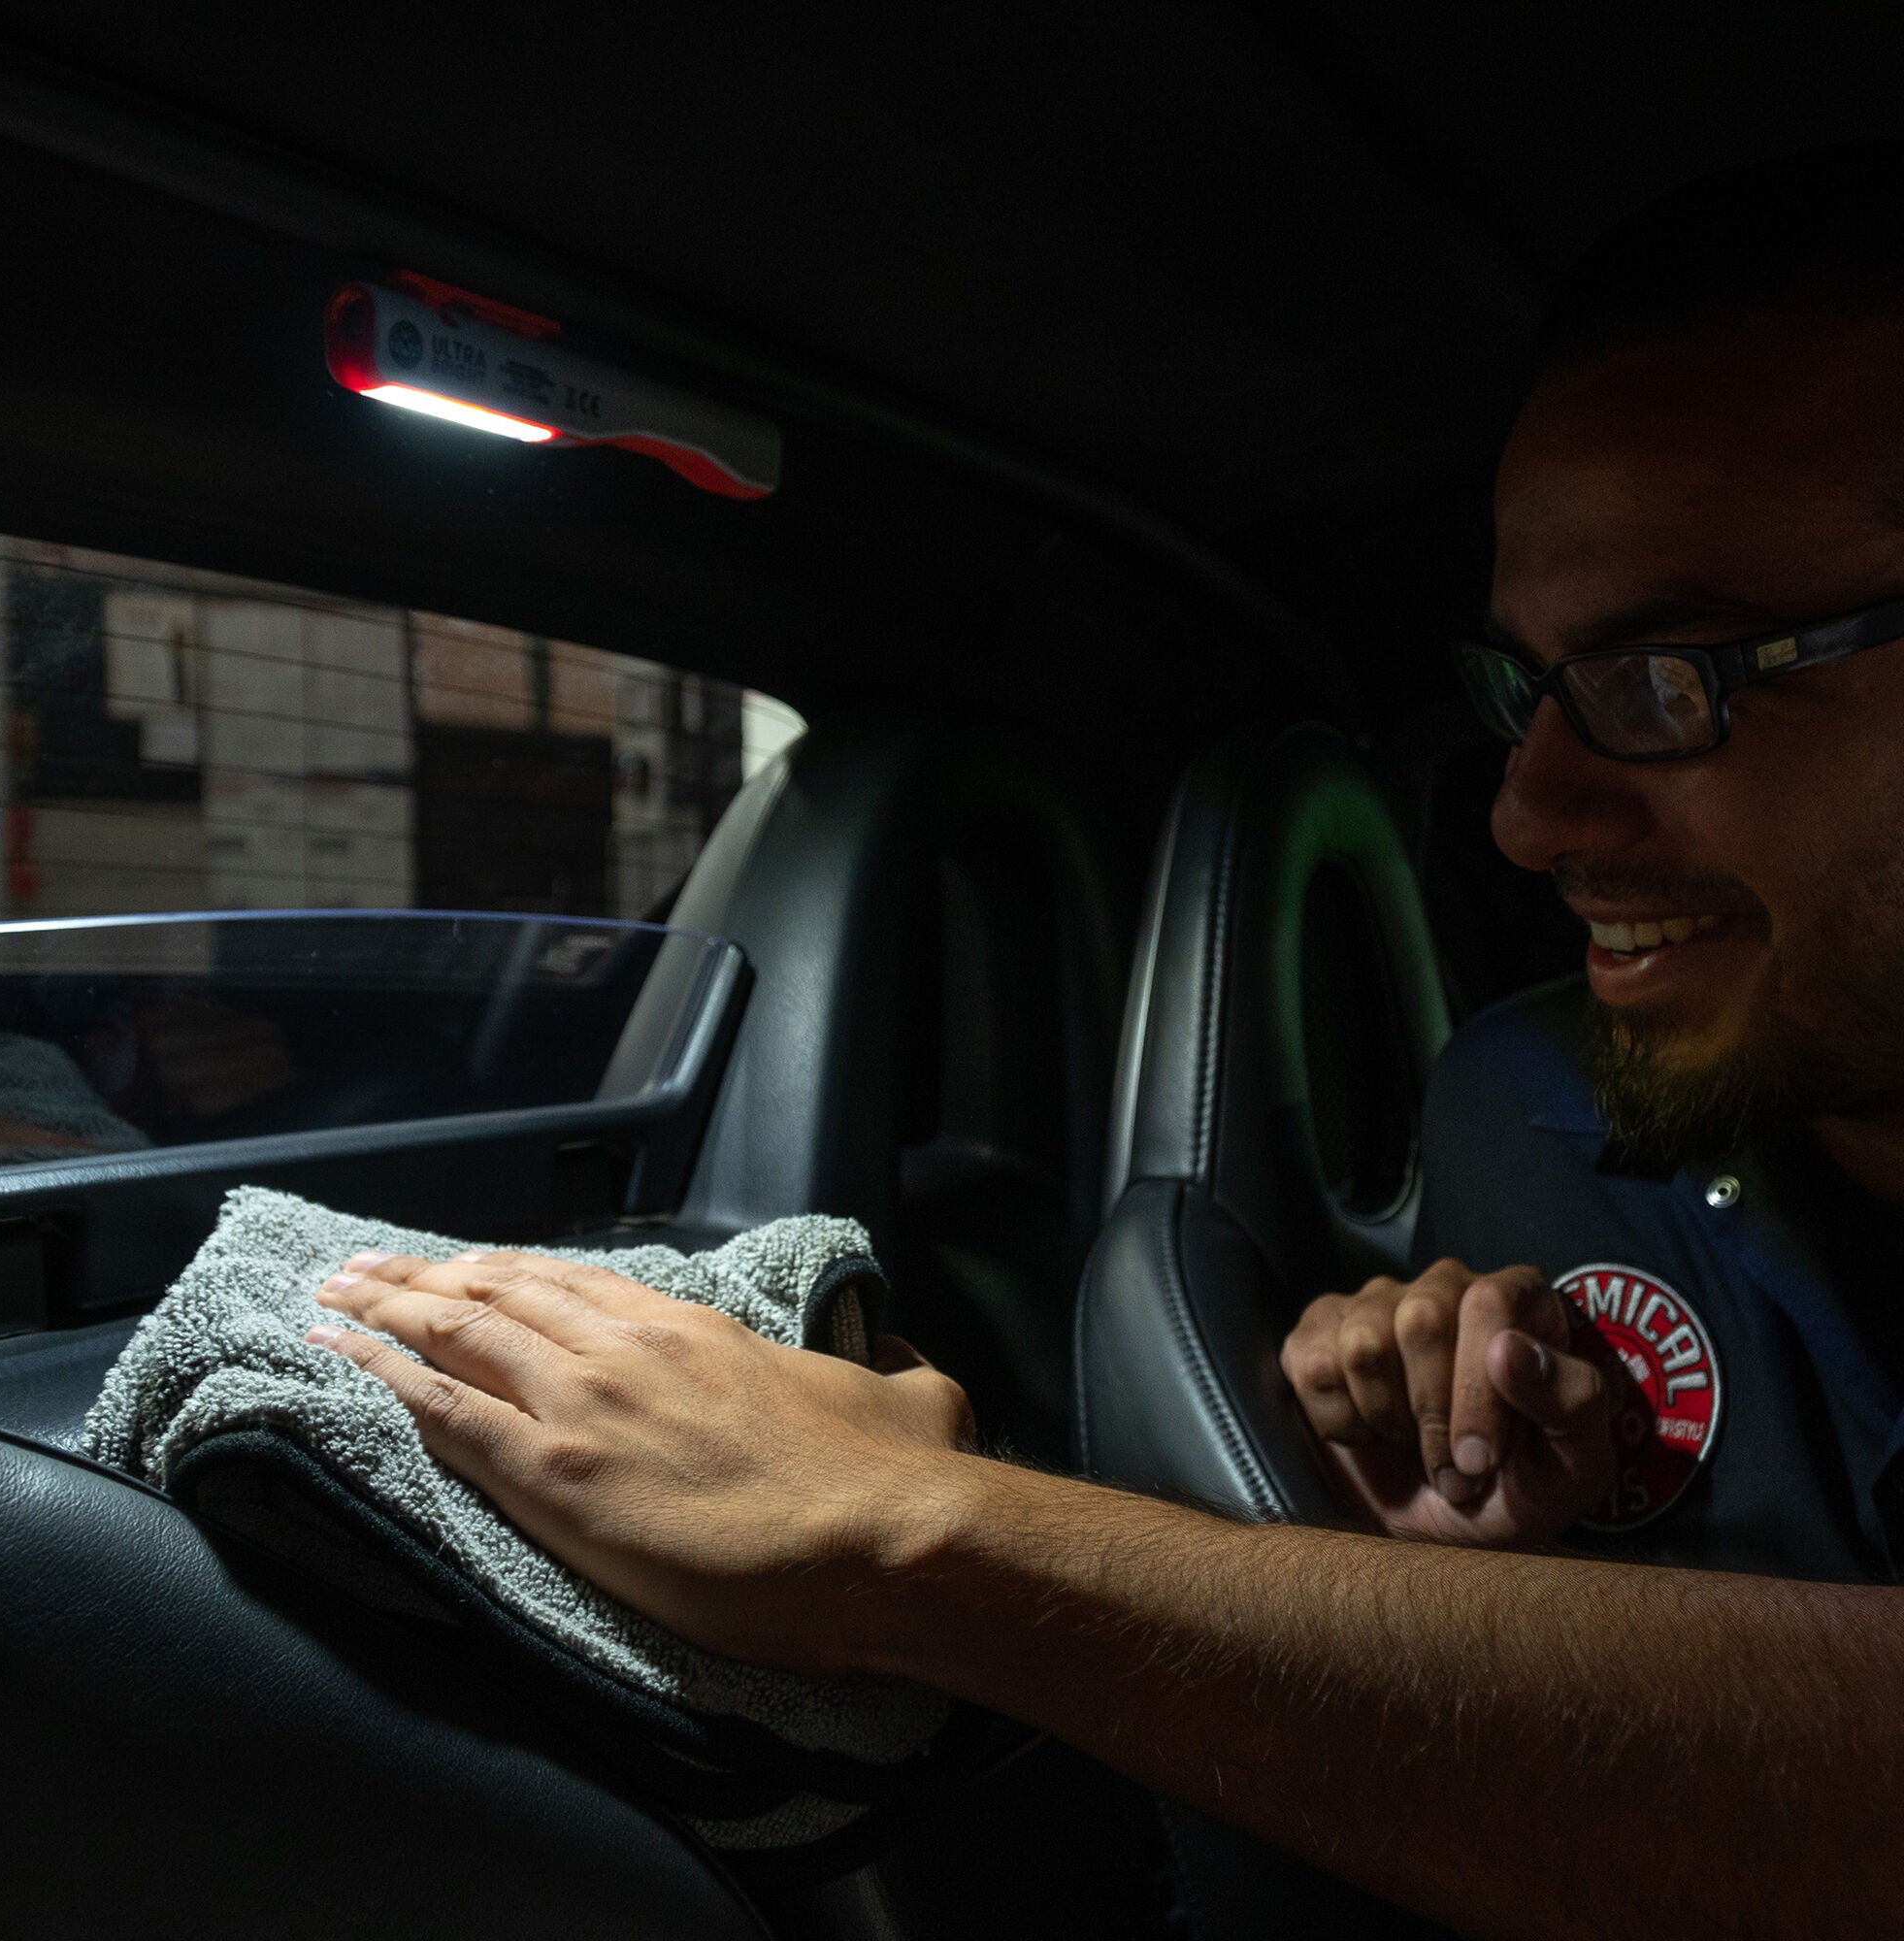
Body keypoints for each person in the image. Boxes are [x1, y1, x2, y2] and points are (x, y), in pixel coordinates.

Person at [303, 148, 1904, 1937]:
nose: (1528, 816)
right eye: (1526, 691)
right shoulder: (1528, 1104)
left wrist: (906, 1528)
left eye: (1668, 683)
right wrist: (1457, 1531)